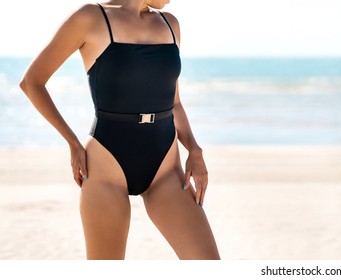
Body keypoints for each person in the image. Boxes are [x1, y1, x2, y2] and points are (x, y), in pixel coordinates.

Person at [19, 1, 220, 259]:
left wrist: (194, 147)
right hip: (106, 167)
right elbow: (32, 82)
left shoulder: (171, 24)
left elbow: (175, 102)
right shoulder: (91, 17)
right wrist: (72, 143)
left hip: (166, 170)